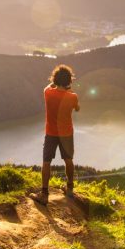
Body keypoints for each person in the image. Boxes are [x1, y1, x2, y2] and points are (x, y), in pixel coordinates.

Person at [29, 64, 80, 205]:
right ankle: (69, 188)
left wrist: (54, 82)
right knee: (68, 159)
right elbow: (77, 109)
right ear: (69, 81)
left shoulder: (48, 93)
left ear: (55, 79)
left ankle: (44, 194)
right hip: (67, 134)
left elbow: (46, 88)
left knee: (46, 161)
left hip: (51, 133)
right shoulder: (73, 97)